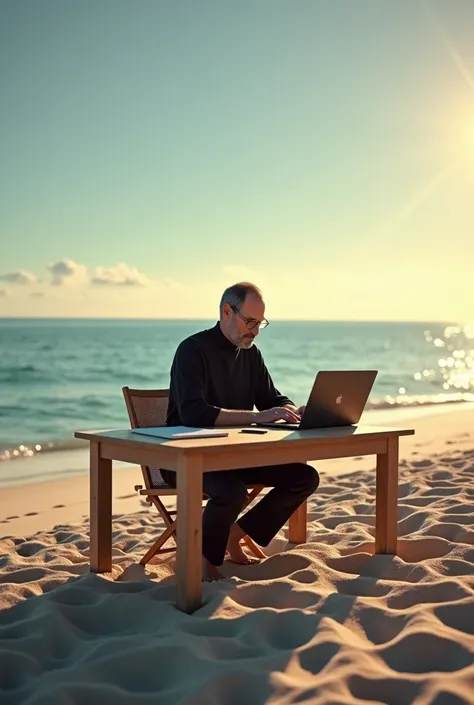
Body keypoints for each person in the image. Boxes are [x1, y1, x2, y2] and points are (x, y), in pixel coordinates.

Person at [163, 282, 320, 581]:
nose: (255, 331)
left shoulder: (251, 354)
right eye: (250, 322)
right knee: (231, 491)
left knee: (304, 477)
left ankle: (236, 534)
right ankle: (205, 560)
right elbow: (193, 413)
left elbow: (271, 399)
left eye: (260, 324)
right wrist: (258, 417)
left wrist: (290, 410)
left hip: (235, 458)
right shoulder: (192, 351)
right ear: (226, 311)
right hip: (186, 459)